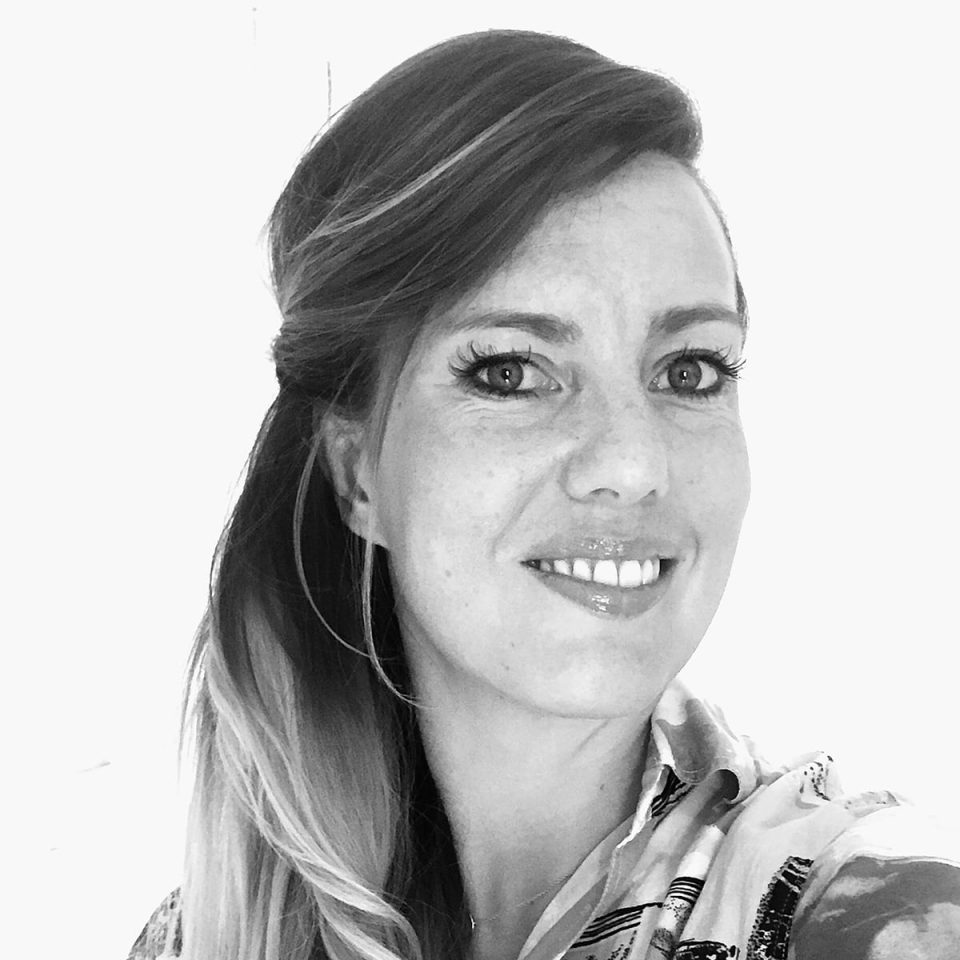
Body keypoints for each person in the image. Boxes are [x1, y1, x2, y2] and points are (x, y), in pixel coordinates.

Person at [127, 28, 960, 960]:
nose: (634, 463)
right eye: (511, 372)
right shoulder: (199, 936)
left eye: (689, 370)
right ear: (356, 470)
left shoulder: (875, 911)